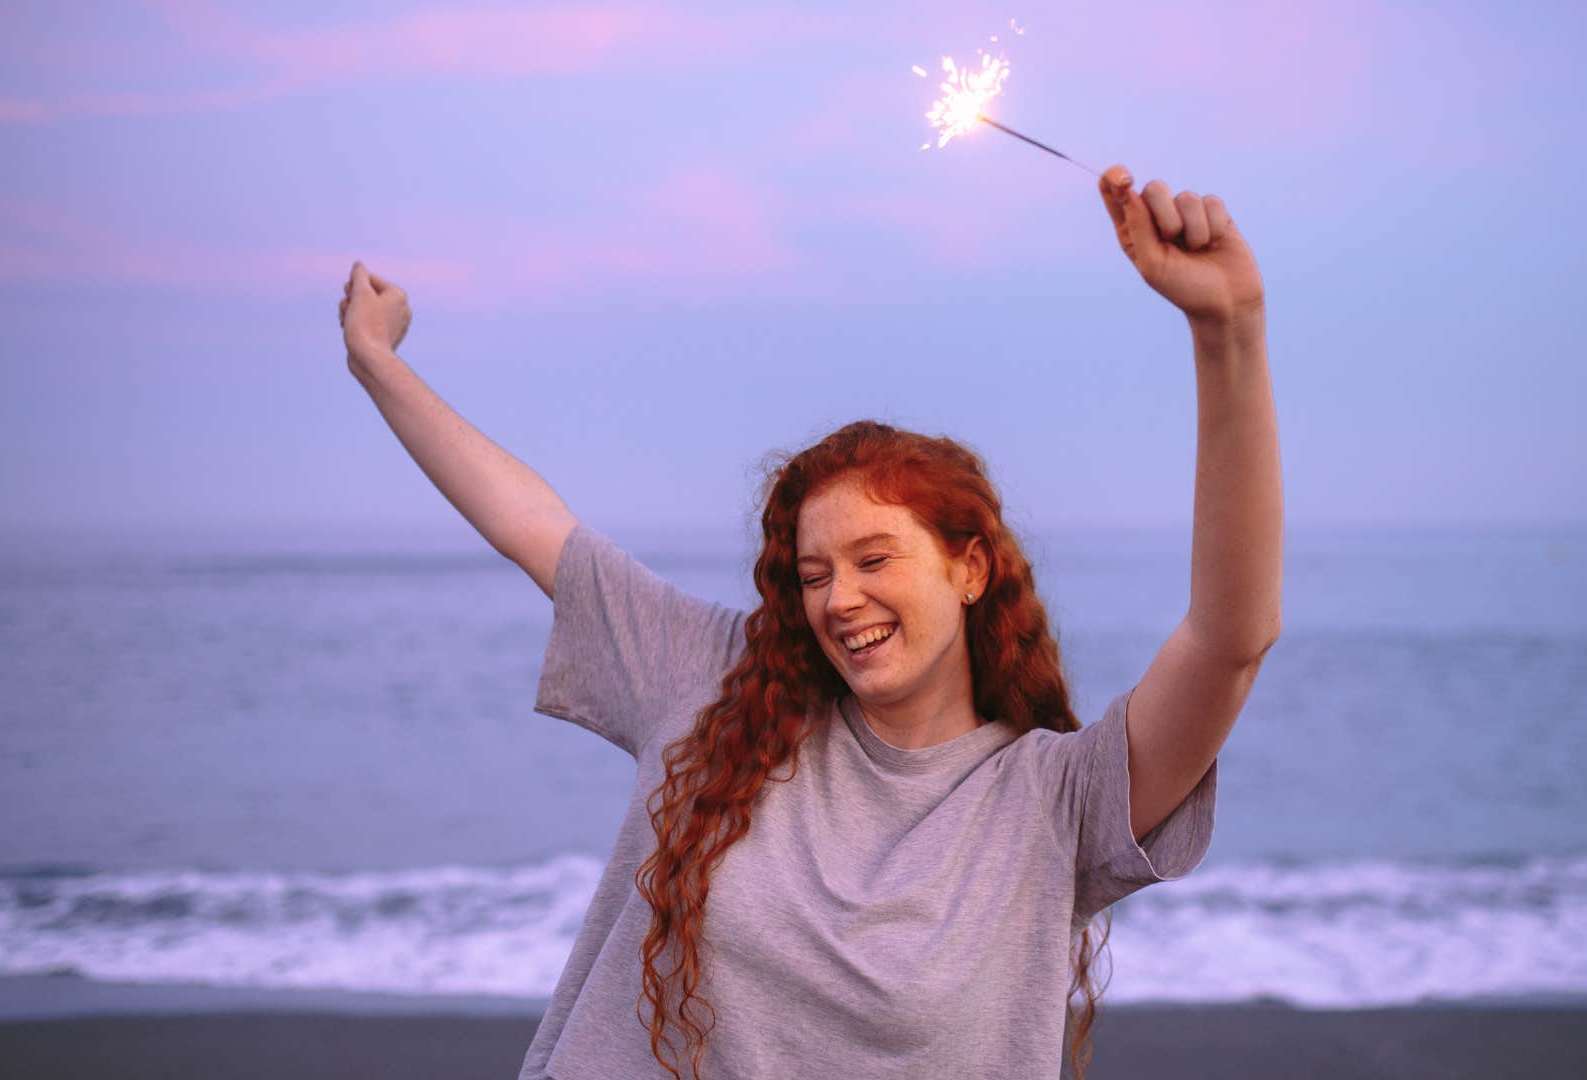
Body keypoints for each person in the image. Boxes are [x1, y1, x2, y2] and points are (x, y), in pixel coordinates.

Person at [340, 162, 1280, 1080]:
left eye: (875, 560)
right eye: (813, 573)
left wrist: (1227, 328)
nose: (839, 600)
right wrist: (377, 363)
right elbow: (534, 526)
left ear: (971, 568)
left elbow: (1229, 640)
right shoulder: (717, 678)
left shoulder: (1052, 802)